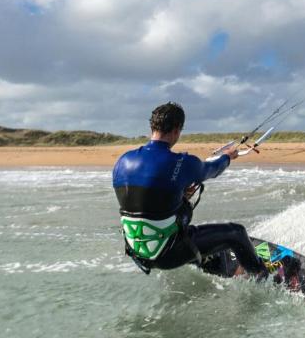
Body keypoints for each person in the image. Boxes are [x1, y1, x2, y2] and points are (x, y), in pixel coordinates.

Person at [112, 102, 273, 278]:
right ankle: (262, 276)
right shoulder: (182, 162)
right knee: (237, 233)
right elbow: (214, 169)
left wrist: (180, 195)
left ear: (152, 127)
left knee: (183, 226)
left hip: (140, 253)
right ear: (176, 129)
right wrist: (228, 156)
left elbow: (146, 206)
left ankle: (212, 265)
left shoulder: (122, 161)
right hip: (168, 253)